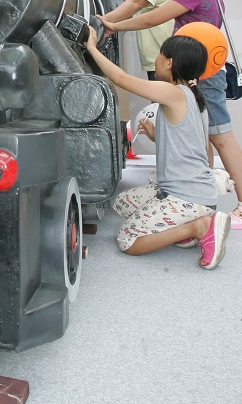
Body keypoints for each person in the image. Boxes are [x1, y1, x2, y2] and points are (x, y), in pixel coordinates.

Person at [99, 0, 242, 224]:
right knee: (206, 139)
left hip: (203, 75)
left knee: (222, 139)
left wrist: (111, 25)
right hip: (207, 72)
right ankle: (200, 203)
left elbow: (151, 18)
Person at [85, 27, 230, 267]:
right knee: (122, 204)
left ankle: (199, 226)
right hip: (193, 192)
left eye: (161, 55)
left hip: (185, 195)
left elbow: (121, 79)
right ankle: (190, 222)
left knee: (127, 240)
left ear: (169, 63)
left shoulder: (172, 92)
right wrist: (156, 135)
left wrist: (91, 48)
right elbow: (198, 147)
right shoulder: (195, 97)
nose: (157, 59)